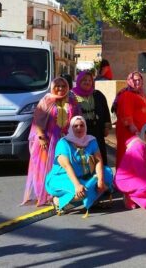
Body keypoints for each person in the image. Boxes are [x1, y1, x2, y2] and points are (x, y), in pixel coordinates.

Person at [22, 77, 80, 206]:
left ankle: (60, 191)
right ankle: (45, 193)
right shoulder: (46, 100)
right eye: (57, 86)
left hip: (66, 139)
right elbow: (37, 119)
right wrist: (41, 136)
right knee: (45, 166)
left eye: (63, 86)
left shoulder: (71, 101)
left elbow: (77, 118)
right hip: (48, 139)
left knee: (64, 166)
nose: (60, 88)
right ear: (53, 87)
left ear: (67, 87)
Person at [44, 116, 114, 216]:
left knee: (107, 176)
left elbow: (98, 161)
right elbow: (67, 166)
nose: (79, 128)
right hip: (63, 177)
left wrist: (101, 181)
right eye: (75, 126)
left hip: (85, 176)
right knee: (83, 192)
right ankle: (57, 201)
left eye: (81, 125)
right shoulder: (63, 143)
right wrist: (77, 185)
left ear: (85, 126)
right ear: (71, 128)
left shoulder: (91, 140)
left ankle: (88, 199)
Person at [71, 70, 111, 165]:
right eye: (84, 80)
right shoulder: (72, 95)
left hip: (97, 130)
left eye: (89, 80)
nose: (87, 82)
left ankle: (100, 176)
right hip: (80, 131)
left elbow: (105, 111)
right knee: (84, 156)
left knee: (99, 155)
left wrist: (106, 127)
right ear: (79, 81)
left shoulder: (98, 94)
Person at [114, 71, 146, 167]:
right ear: (129, 81)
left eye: (139, 80)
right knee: (128, 155)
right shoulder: (126, 94)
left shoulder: (142, 95)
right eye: (134, 80)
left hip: (144, 132)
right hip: (130, 132)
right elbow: (125, 111)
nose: (137, 82)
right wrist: (132, 127)